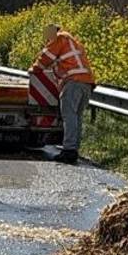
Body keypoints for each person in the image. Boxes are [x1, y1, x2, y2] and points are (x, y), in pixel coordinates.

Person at [30, 24, 96, 164]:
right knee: (76, 116)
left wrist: (34, 69)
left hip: (74, 82)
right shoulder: (73, 42)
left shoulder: (60, 38)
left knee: (69, 115)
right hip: (86, 82)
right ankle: (74, 148)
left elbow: (46, 57)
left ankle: (69, 151)